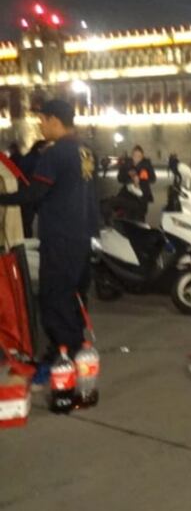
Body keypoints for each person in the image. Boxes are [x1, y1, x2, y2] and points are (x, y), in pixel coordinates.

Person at [0, 100, 98, 368]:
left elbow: (33, 194)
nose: (40, 126)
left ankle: (62, 354)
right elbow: (91, 195)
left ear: (54, 120)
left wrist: (2, 198)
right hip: (82, 236)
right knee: (75, 294)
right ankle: (77, 347)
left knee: (54, 297)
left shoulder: (55, 154)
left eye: (42, 120)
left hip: (59, 237)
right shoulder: (85, 150)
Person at [17, 140, 47, 238]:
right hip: (32, 191)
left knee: (26, 218)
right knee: (30, 218)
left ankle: (26, 236)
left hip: (25, 190)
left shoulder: (27, 158)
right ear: (39, 149)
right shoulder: (38, 160)